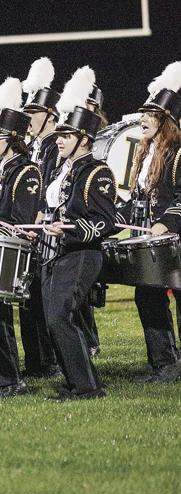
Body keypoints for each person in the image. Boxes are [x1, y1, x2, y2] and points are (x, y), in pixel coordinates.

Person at [41, 69, 116, 399]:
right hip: (56, 251)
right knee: (52, 320)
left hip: (82, 254)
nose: (59, 140)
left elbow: (105, 221)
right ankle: (76, 383)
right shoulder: (63, 169)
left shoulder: (97, 171)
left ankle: (87, 387)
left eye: (66, 135)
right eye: (59, 134)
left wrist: (70, 229)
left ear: (84, 139)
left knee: (60, 317)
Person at [0, 77, 42, 398]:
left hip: (7, 254)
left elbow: (22, 223)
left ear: (13, 138)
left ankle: (10, 379)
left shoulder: (27, 171)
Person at [116, 61, 181, 383]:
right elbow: (136, 199)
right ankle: (164, 364)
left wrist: (166, 223)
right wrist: (114, 220)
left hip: (174, 238)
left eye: (150, 114)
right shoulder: (143, 154)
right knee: (147, 296)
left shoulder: (178, 153)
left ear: (165, 121)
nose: (142, 118)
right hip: (149, 240)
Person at [20, 57, 62, 377]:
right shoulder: (34, 147)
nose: (28, 118)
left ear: (50, 114)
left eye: (34, 112)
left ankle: (48, 360)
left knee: (42, 298)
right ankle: (35, 360)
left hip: (45, 232)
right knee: (28, 298)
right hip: (30, 230)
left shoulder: (53, 147)